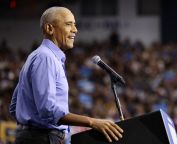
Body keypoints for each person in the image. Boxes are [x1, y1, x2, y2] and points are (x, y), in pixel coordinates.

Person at [9, 6, 123, 144]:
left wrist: (28, 126)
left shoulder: (38, 56)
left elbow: (14, 107)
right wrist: (92, 122)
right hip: (42, 138)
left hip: (35, 136)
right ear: (49, 29)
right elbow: (48, 110)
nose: (75, 30)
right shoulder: (46, 58)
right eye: (69, 24)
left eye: (74, 25)